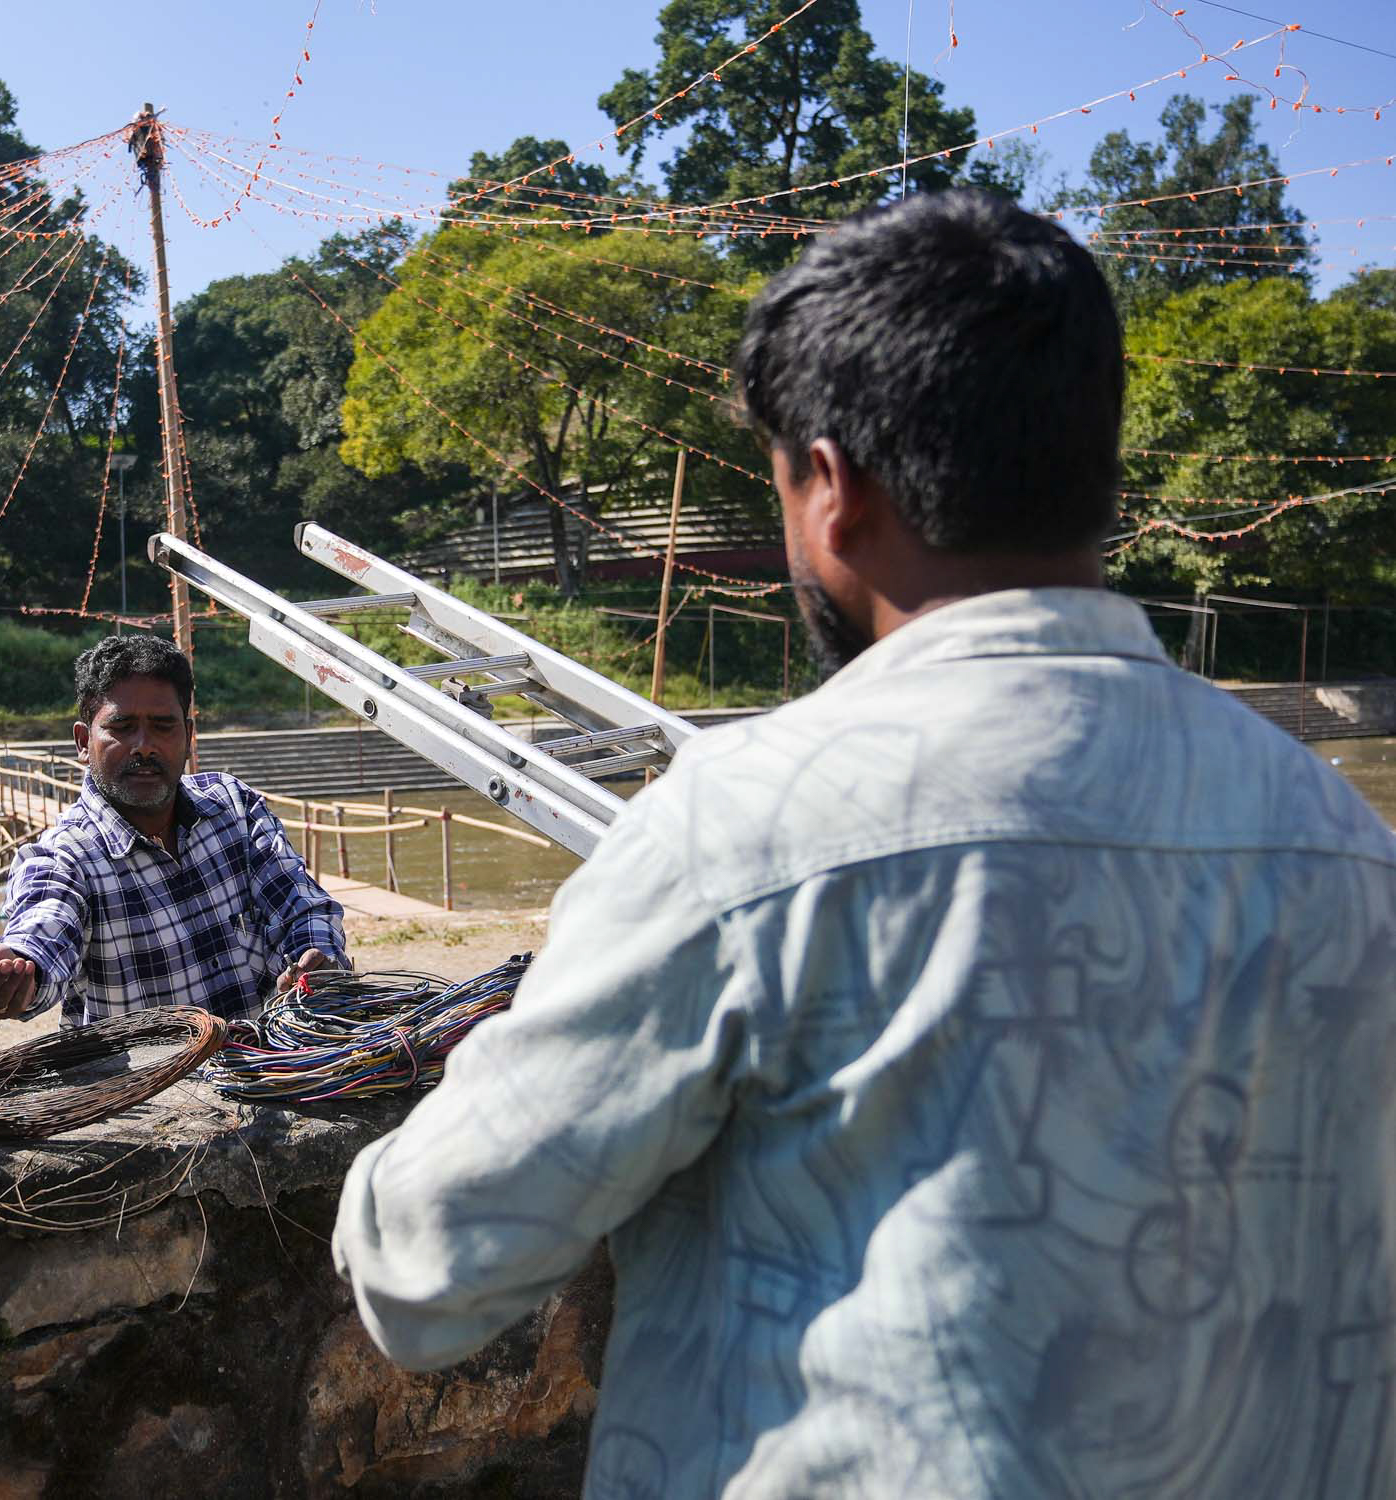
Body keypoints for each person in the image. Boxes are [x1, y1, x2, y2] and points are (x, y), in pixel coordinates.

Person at [331, 190, 1396, 1498]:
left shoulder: (741, 833)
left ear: (828, 491)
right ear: (1095, 472)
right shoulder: (1346, 844)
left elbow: (423, 1268)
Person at [0, 634, 347, 1024]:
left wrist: (315, 954)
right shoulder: (66, 857)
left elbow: (300, 904)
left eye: (163, 726)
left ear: (189, 736)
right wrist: (20, 968)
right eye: (122, 727)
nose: (144, 746)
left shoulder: (232, 804)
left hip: (265, 1067)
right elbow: (45, 924)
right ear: (82, 741)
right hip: (155, 1086)